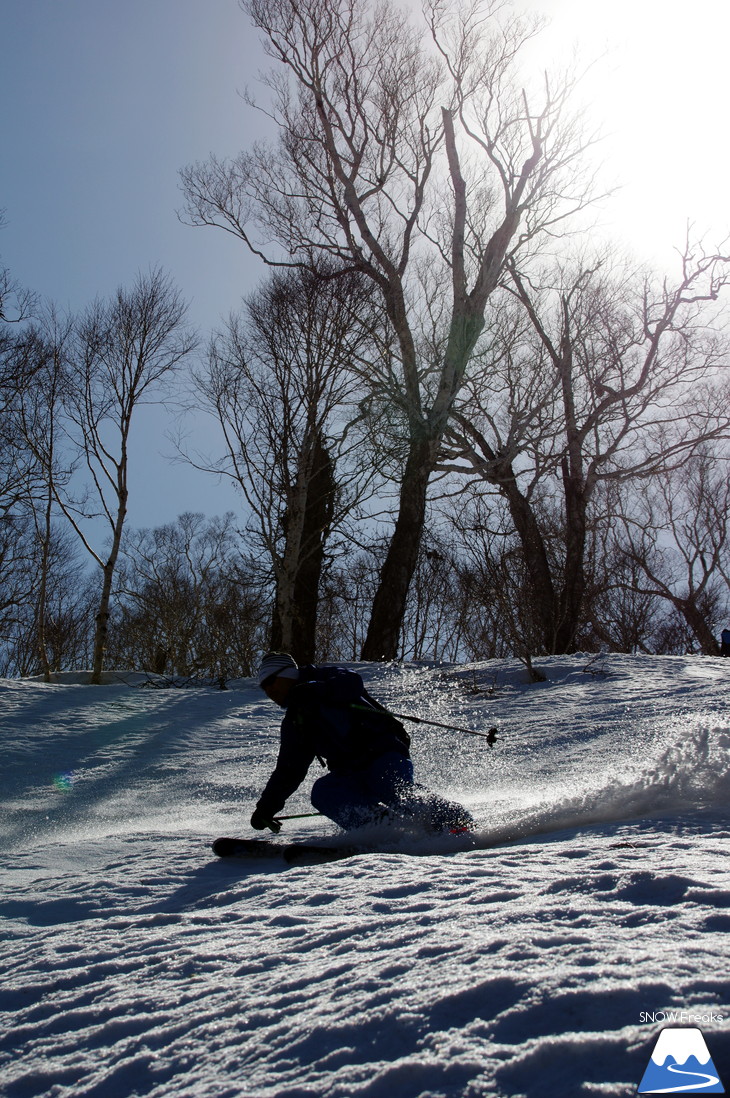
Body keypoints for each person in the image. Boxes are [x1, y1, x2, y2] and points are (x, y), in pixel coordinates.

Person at [250, 652, 473, 834]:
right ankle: (382, 830)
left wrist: (319, 689)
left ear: (288, 674)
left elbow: (352, 682)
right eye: (264, 687)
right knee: (324, 792)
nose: (269, 691)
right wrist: (266, 808)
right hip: (348, 771)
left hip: (383, 754)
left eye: (271, 682)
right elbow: (289, 770)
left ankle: (453, 820)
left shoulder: (325, 677)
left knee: (389, 787)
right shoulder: (294, 722)